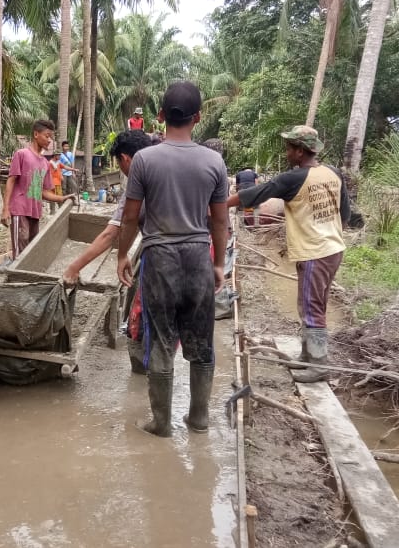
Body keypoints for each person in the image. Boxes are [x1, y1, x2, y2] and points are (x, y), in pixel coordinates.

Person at [115, 81, 230, 438]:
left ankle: (160, 422)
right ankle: (198, 419)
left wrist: (122, 254)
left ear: (160, 116)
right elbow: (220, 220)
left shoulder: (145, 160)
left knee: (161, 340)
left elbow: (132, 216)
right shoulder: (214, 161)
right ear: (198, 117)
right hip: (198, 255)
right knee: (201, 342)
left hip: (159, 257)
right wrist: (218, 264)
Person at [225, 125, 350, 383]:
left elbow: (254, 194)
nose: (286, 153)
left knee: (311, 305)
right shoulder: (332, 173)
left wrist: (218, 204)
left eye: (290, 148)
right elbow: (345, 214)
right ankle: (307, 356)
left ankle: (318, 364)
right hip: (333, 248)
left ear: (301, 152)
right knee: (313, 302)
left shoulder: (293, 179)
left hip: (314, 250)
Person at [62, 130, 153, 372]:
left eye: (119, 165)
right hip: (197, 254)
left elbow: (111, 233)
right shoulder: (174, 168)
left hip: (160, 260)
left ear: (126, 159)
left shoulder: (138, 180)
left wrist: (74, 267)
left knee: (143, 321)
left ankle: (144, 380)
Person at [1, 120, 76, 259]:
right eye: (47, 136)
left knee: (31, 250)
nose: (49, 140)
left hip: (35, 211)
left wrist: (62, 198)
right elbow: (11, 181)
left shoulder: (45, 163)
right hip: (19, 209)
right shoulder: (22, 154)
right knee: (20, 251)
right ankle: (17, 279)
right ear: (36, 134)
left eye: (51, 137)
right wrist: (5, 209)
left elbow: (44, 192)